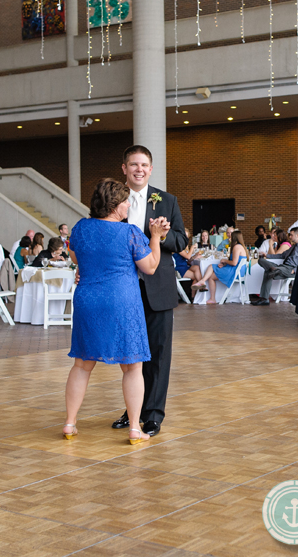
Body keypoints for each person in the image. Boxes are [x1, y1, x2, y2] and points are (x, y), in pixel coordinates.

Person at [64, 179, 170, 443]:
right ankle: (135, 427)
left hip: (88, 300)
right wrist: (155, 237)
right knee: (133, 367)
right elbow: (151, 267)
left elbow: (76, 258)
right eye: (125, 201)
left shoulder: (80, 228)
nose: (128, 205)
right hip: (122, 301)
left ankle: (69, 422)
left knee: (82, 364)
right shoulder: (130, 233)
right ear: (115, 205)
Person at [108, 145, 187, 438]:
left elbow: (180, 240)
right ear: (124, 168)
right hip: (122, 285)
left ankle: (152, 414)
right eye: (133, 165)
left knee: (158, 352)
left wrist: (161, 235)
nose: (139, 169)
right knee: (129, 352)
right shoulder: (113, 200)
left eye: (144, 165)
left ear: (150, 169)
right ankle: (133, 410)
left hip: (158, 286)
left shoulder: (167, 200)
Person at [253, 227, 298, 306]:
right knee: (261, 260)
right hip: (282, 267)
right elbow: (282, 255)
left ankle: (264, 299)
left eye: (291, 235)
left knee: (268, 272)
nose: (289, 237)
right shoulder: (293, 247)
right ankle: (274, 269)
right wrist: (267, 255)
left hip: (291, 270)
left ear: (297, 235)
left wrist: (295, 270)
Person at [193, 230, 248, 304]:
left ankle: (210, 295)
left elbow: (234, 263)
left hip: (234, 272)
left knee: (211, 273)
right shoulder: (240, 246)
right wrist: (225, 264)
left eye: (231, 236)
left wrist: (224, 260)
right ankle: (203, 282)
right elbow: (235, 262)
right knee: (211, 268)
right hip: (238, 271)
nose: (229, 238)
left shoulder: (236, 247)